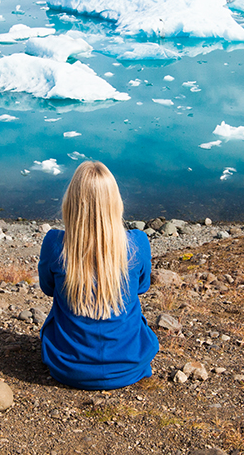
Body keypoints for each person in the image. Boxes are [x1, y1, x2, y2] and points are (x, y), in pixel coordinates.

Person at [37, 161, 159, 390]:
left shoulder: (55, 244)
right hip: (130, 365)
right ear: (115, 202)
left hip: (67, 366)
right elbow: (142, 287)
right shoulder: (137, 243)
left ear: (71, 202)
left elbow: (48, 288)